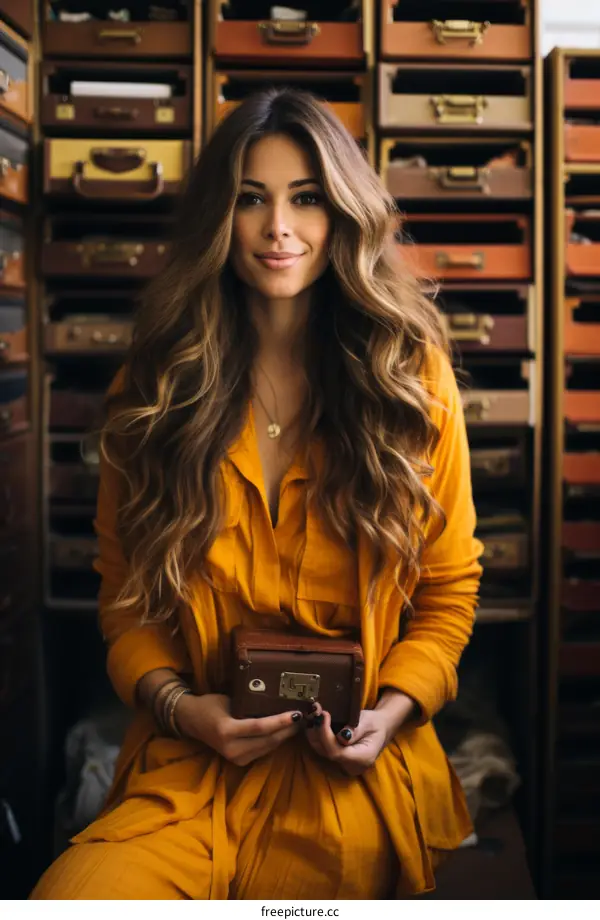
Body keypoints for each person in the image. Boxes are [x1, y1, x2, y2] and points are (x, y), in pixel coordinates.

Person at [32, 87, 483, 900]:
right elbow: (126, 601)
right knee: (70, 898)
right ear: (218, 217)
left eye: (306, 198)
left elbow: (448, 593)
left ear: (341, 211)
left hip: (347, 778)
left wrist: (390, 717)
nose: (279, 227)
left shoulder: (411, 381)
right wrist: (178, 708)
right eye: (250, 199)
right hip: (189, 769)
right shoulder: (155, 388)